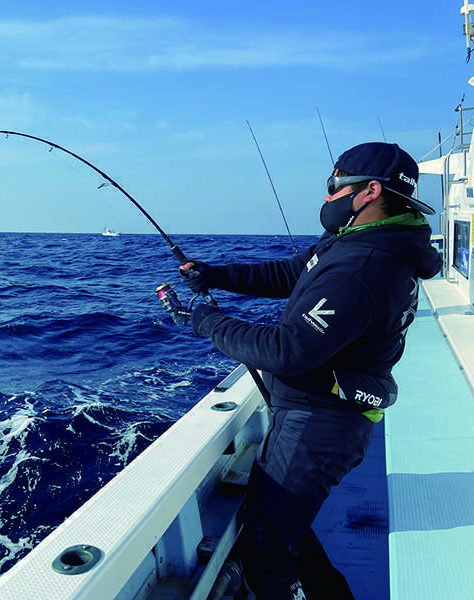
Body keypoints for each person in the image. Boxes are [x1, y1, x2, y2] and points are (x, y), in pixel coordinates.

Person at [179, 142, 442, 600]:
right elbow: (290, 274)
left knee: (269, 551)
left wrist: (208, 323)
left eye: (332, 186)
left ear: (369, 192)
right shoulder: (355, 242)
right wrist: (216, 275)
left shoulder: (364, 266)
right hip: (312, 413)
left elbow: (289, 350)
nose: (326, 199)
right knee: (284, 531)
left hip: (320, 425)